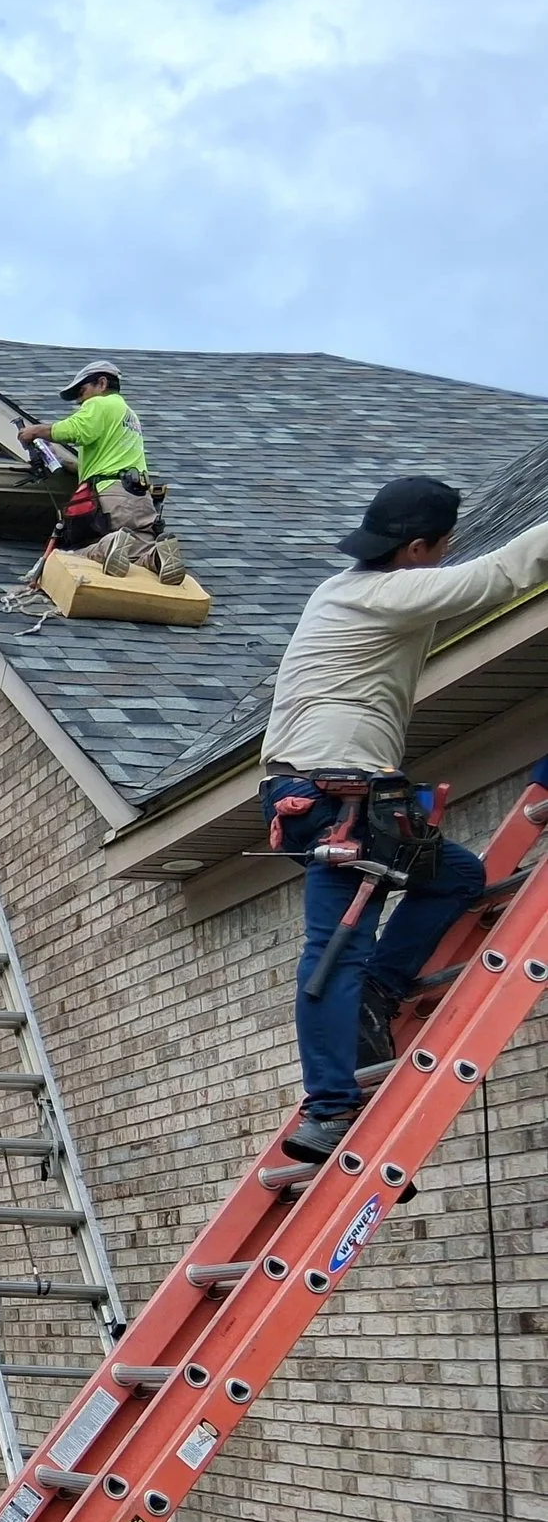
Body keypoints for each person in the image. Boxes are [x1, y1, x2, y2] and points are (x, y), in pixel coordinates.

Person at [260, 475, 548, 1162]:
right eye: (442, 547)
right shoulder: (386, 594)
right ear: (420, 547)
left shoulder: (342, 590)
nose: (445, 556)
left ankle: (378, 993)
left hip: (325, 791)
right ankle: (329, 1107)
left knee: (455, 875)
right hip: (339, 800)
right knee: (334, 949)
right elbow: (505, 573)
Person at [18, 359, 185, 585]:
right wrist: (65, 463)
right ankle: (158, 557)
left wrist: (36, 431)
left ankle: (109, 545)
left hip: (111, 496)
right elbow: (107, 460)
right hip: (140, 497)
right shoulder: (128, 415)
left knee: (72, 556)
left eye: (82, 390)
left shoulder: (100, 405)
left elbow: (77, 430)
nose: (79, 399)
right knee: (138, 551)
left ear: (102, 383)